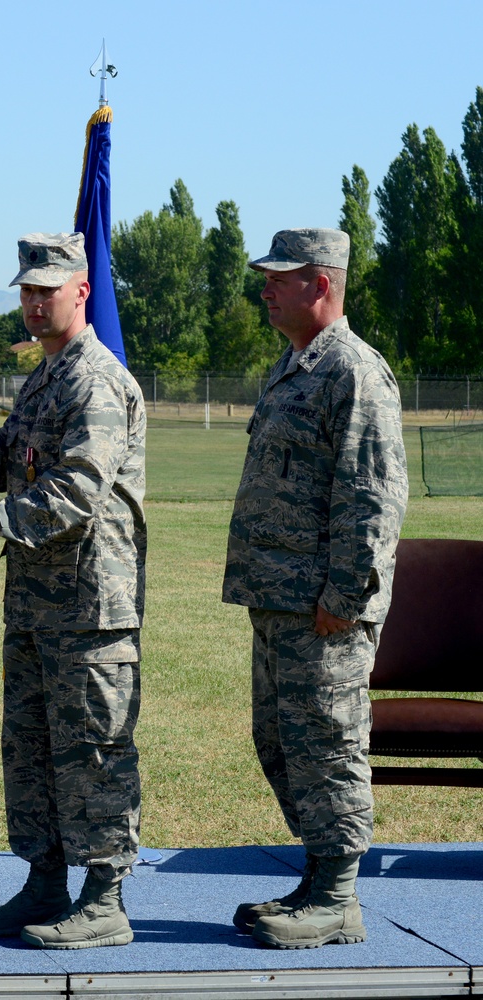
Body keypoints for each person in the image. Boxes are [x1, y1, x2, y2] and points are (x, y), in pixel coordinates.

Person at [0, 233, 146, 950]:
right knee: (34, 748)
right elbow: (0, 460)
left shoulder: (93, 380)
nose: (35, 302)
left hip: (89, 605)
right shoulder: (45, 378)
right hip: (38, 604)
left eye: (50, 289)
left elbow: (77, 488)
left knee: (94, 746)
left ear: (82, 290)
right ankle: (45, 882)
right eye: (27, 290)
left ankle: (104, 897)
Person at [223, 228, 408, 949]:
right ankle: (317, 879)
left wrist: (345, 595)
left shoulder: (352, 371)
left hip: (323, 608)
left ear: (321, 284)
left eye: (282, 277)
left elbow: (373, 495)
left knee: (328, 743)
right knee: (283, 741)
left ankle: (337, 899)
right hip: (278, 598)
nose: (266, 287)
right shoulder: (291, 366)